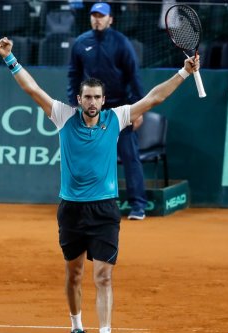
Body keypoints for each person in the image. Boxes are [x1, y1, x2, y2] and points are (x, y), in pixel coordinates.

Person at [0, 36, 199, 333]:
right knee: (74, 274)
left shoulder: (115, 119)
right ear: (79, 98)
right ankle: (76, 327)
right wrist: (9, 59)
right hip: (71, 210)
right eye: (87, 97)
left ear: (104, 101)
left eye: (96, 97)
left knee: (103, 276)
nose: (91, 102)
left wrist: (184, 73)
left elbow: (153, 98)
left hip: (104, 209)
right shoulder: (63, 115)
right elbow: (32, 89)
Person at [67, 2, 148, 220]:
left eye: (101, 16)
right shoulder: (81, 43)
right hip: (92, 110)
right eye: (94, 15)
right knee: (88, 157)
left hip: (119, 109)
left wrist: (137, 109)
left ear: (110, 19)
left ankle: (138, 206)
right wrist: (73, 106)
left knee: (129, 156)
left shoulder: (121, 43)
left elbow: (133, 77)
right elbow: (74, 76)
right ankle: (87, 203)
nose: (97, 19)